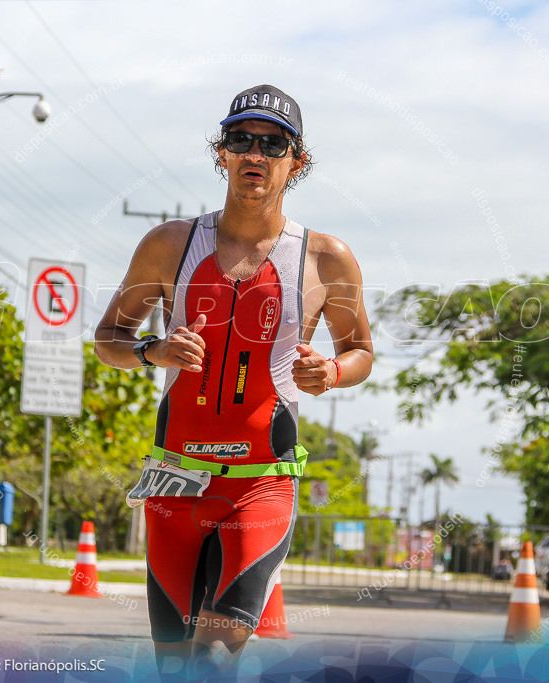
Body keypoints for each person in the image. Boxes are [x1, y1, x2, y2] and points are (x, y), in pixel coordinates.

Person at [94, 84, 373, 680]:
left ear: (296, 162)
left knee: (215, 658)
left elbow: (360, 353)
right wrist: (153, 350)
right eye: (243, 140)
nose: (257, 153)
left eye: (274, 144)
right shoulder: (170, 245)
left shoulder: (326, 258)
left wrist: (330, 372)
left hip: (260, 486)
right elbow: (108, 338)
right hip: (177, 484)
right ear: (222, 153)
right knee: (174, 667)